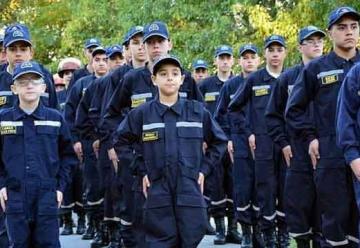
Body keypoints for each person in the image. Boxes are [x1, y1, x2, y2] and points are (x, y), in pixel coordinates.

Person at [102, 21, 203, 247]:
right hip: (140, 164)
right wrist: (117, 147)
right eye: (151, 43)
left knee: (183, 225)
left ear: (170, 44)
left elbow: (200, 119)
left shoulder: (183, 78)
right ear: (144, 48)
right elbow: (111, 115)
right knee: (139, 220)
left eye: (160, 41)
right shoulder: (131, 79)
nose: (156, 47)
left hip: (179, 166)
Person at [112, 54, 227, 247]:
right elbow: (121, 142)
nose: (170, 78)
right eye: (163, 74)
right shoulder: (141, 114)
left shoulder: (197, 112)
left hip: (188, 189)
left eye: (175, 73)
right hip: (157, 190)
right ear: (154, 79)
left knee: (190, 238)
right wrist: (141, 170)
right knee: (159, 241)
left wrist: (203, 170)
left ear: (182, 80)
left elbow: (219, 142)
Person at [286, 6, 360, 247]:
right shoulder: (316, 69)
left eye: (353, 26)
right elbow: (294, 110)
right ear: (330, 33)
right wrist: (311, 138)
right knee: (335, 225)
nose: (349, 32)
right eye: (341, 27)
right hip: (330, 157)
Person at [0, 60, 76, 247]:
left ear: (43, 87)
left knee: (48, 244)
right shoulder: (3, 120)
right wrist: (1, 184)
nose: (29, 85)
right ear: (14, 88)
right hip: (14, 195)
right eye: (23, 81)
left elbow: (68, 157)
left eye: (34, 80)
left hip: (47, 195)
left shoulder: (55, 118)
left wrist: (60, 187)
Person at [265, 26, 325, 248]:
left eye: (319, 39)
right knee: (299, 204)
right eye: (310, 41)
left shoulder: (332, 72)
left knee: (327, 206)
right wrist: (284, 144)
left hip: (328, 151)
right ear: (300, 46)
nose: (316, 44)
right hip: (298, 152)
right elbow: (272, 116)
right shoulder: (288, 78)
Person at [228, 35, 288, 247]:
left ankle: (284, 233)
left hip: (286, 145)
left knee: (285, 189)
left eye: (279, 50)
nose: (275, 54)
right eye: (270, 50)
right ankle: (268, 234)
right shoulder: (254, 80)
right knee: (266, 190)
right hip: (262, 144)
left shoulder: (291, 77)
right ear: (265, 54)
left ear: (285, 53)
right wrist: (248, 132)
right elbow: (234, 108)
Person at [214, 44, 261, 247]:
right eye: (245, 57)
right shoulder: (231, 86)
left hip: (263, 144)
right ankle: (247, 233)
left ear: (259, 60)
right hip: (239, 145)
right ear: (239, 61)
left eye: (252, 57)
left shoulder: (266, 81)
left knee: (262, 189)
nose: (249, 60)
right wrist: (229, 139)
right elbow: (220, 116)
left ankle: (261, 232)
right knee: (242, 190)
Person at [64, 46, 109, 246]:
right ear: (90, 62)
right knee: (93, 186)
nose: (100, 63)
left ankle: (111, 229)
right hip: (89, 143)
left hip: (110, 143)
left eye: (104, 59)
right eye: (96, 59)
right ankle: (95, 226)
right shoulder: (82, 84)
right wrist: (76, 141)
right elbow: (71, 115)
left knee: (112, 188)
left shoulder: (117, 82)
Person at [198, 45, 242, 245]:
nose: (224, 61)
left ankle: (233, 228)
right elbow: (197, 112)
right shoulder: (205, 84)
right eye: (221, 57)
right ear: (215, 61)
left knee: (234, 185)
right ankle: (220, 230)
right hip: (213, 143)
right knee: (215, 186)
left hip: (234, 142)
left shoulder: (238, 83)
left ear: (232, 60)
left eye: (228, 57)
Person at [0, 23, 58, 110]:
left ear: (31, 53)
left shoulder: (44, 75)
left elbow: (54, 110)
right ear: (5, 52)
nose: (18, 54)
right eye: (12, 49)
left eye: (23, 49)